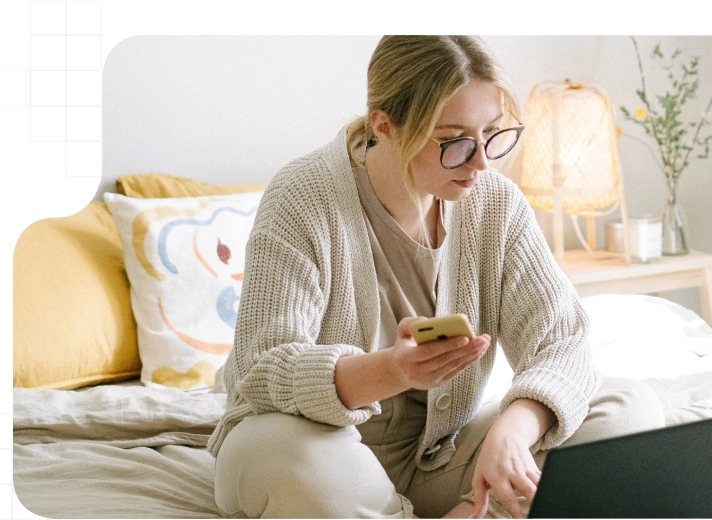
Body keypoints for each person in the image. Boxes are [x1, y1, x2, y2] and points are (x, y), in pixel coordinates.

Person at [209, 35, 665, 519]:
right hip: (324, 455)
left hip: (441, 459)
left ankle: (475, 513)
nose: (483, 161)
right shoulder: (303, 197)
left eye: (493, 132)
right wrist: (391, 370)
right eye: (455, 141)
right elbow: (262, 369)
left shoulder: (495, 204)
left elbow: (563, 341)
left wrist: (513, 432)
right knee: (274, 451)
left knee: (628, 406)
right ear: (384, 125)